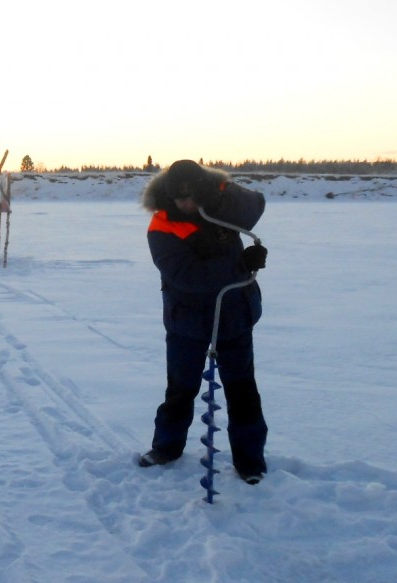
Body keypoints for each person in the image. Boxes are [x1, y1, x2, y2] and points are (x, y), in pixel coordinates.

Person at [139, 159, 269, 484]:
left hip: (234, 314)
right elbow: (188, 276)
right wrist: (241, 265)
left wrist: (218, 192)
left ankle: (250, 461)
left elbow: (256, 205)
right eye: (179, 197)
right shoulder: (162, 225)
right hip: (188, 320)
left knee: (242, 390)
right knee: (181, 389)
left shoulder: (219, 206)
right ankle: (166, 447)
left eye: (192, 195)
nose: (186, 204)